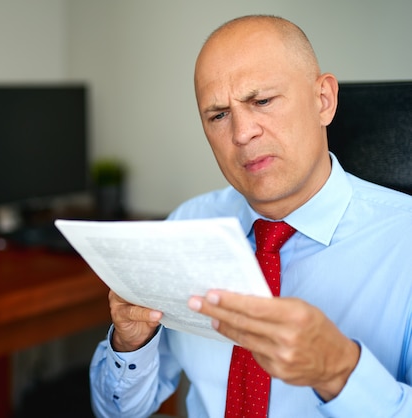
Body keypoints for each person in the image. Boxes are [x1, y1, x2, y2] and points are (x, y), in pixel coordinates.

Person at [89, 14, 412, 417]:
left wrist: (340, 372)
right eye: (218, 115)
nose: (242, 133)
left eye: (261, 101)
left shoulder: (406, 242)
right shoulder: (188, 225)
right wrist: (131, 343)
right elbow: (117, 411)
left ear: (323, 100)